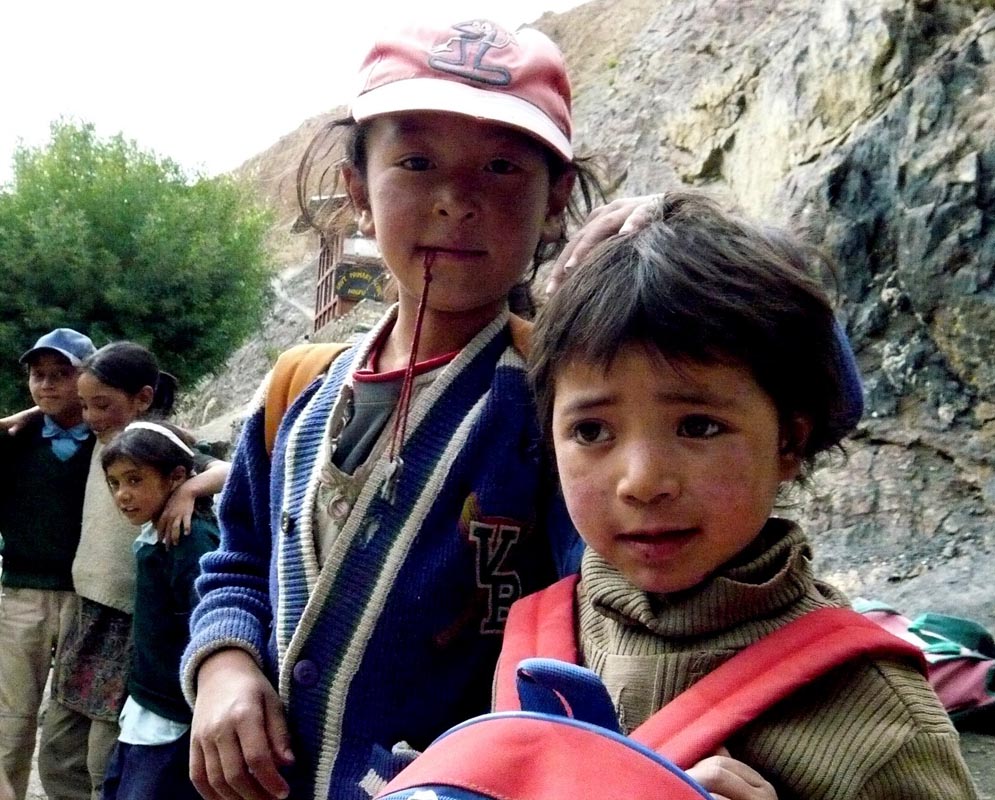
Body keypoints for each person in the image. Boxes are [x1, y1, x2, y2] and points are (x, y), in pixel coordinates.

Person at [183, 18, 606, 800]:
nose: (456, 201)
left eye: (503, 168)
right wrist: (223, 662)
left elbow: (619, 603)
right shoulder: (296, 392)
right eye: (415, 162)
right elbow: (236, 559)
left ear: (556, 203)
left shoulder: (567, 408)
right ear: (357, 193)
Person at [521, 191, 980, 799]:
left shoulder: (874, 720)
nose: (642, 482)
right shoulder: (542, 646)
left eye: (698, 426)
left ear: (788, 441)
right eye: (591, 431)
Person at [40, 342, 230, 800]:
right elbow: (51, 408)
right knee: (59, 747)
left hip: (132, 620)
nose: (90, 415)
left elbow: (230, 467)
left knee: (108, 753)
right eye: (84, 405)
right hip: (89, 612)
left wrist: (188, 493)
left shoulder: (160, 448)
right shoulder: (98, 440)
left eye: (101, 404)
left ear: (142, 398)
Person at [98, 422, 220, 800]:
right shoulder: (157, 534)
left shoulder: (189, 539)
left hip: (174, 713)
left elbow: (208, 623)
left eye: (135, 480)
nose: (123, 495)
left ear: (177, 478)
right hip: (150, 701)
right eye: (115, 483)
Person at [0, 328, 96, 800]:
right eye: (39, 376)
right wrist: (20, 418)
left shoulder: (111, 442)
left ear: (87, 379)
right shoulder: (17, 440)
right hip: (21, 595)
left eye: (62, 375)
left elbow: (191, 460)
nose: (49, 385)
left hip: (89, 599)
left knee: (75, 725)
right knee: (10, 721)